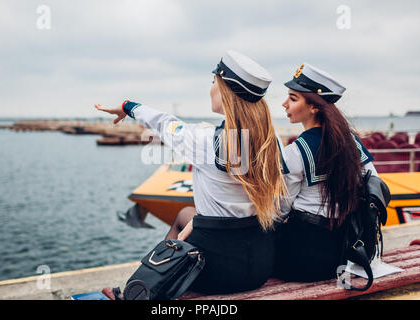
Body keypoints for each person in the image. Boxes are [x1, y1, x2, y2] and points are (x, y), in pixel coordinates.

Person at [95, 50, 287, 297]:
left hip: (216, 273)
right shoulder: (272, 143)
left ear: (225, 90)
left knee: (183, 217)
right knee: (188, 213)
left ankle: (138, 293)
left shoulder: (206, 142)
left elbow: (164, 123)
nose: (210, 89)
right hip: (259, 266)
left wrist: (127, 106)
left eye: (213, 82)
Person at [274, 63, 379, 282]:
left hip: (300, 257)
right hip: (339, 253)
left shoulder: (296, 151)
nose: (284, 104)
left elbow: (281, 209)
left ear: (314, 107)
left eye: (293, 99)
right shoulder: (351, 142)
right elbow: (375, 184)